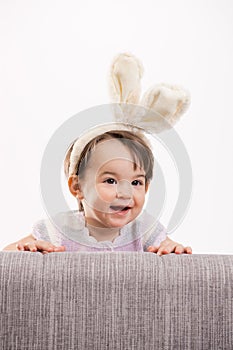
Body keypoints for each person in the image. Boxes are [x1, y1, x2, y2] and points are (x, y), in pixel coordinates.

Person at [3, 126, 192, 256]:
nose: (125, 193)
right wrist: (25, 251)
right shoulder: (60, 229)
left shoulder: (145, 231)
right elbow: (6, 256)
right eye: (110, 180)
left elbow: (170, 252)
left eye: (136, 183)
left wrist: (172, 249)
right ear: (77, 187)